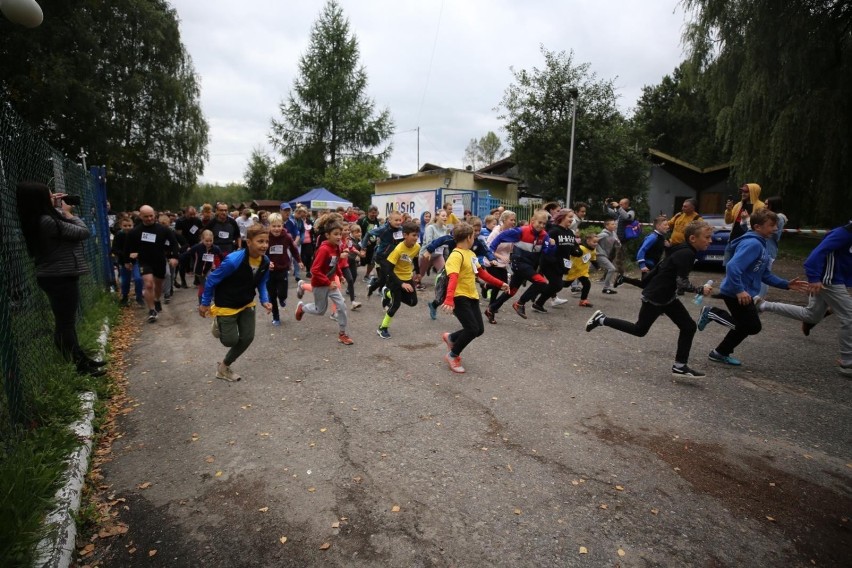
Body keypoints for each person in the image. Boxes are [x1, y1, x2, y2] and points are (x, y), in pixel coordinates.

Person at [586, 221, 715, 377]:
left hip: (667, 297)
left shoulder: (684, 249)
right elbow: (682, 283)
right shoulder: (686, 253)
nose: (710, 241)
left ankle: (680, 366)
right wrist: (700, 289)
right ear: (693, 238)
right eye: (707, 237)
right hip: (656, 297)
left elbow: (664, 267)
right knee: (639, 330)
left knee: (688, 327)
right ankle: (602, 319)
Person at [15, 181, 107, 377]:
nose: (54, 197)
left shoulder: (40, 218)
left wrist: (57, 209)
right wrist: (67, 212)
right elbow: (82, 232)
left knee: (66, 322)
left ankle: (82, 360)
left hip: (58, 275)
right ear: (39, 199)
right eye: (49, 195)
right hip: (58, 276)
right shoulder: (46, 221)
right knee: (65, 324)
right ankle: (80, 366)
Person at [697, 209, 808, 366]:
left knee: (747, 326)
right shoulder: (753, 244)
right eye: (771, 225)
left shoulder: (761, 245)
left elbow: (764, 274)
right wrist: (739, 290)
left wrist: (786, 284)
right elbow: (733, 266)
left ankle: (720, 352)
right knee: (751, 326)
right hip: (736, 293)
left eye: (776, 225)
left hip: (742, 292)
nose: (775, 229)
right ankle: (712, 313)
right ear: (757, 227)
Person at [757, 220, 851, 376]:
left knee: (811, 315)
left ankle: (763, 305)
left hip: (830, 280)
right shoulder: (843, 233)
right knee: (850, 316)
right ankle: (848, 361)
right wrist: (814, 277)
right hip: (829, 281)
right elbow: (816, 255)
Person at [199, 224, 272, 382]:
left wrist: (265, 300)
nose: (265, 245)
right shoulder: (233, 261)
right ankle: (218, 321)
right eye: (260, 241)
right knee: (229, 341)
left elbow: (262, 283)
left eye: (267, 241)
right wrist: (205, 303)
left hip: (246, 303)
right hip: (227, 304)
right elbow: (212, 279)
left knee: (247, 337)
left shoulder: (265, 261)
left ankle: (223, 368)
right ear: (249, 242)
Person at [440, 222, 509, 373]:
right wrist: (449, 299)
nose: (475, 238)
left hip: (472, 295)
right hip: (459, 297)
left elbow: (481, 273)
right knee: (471, 329)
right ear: (469, 237)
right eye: (474, 235)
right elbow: (453, 277)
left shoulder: (470, 254)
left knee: (478, 330)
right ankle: (452, 355)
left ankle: (451, 338)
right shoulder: (456, 255)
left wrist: (500, 283)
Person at [295, 218, 354, 345]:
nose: (339, 237)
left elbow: (335, 263)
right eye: (336, 234)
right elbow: (314, 270)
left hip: (331, 284)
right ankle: (302, 307)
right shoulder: (324, 249)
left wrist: (340, 275)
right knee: (320, 310)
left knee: (342, 306)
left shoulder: (337, 247)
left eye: (340, 233)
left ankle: (342, 334)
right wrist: (327, 282)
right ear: (327, 235)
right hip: (320, 284)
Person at [124, 205, 180, 323]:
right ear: (140, 216)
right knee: (149, 284)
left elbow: (174, 243)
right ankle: (152, 310)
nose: (149, 219)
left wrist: (174, 257)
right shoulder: (135, 232)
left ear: (154, 215)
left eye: (151, 216)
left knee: (158, 285)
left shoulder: (163, 229)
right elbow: (128, 248)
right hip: (144, 261)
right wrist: (127, 261)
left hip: (159, 260)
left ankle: (156, 299)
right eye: (146, 216)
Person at [377, 221, 420, 338]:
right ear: (405, 235)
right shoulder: (398, 249)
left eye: (417, 235)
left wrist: (418, 272)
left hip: (408, 277)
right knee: (396, 304)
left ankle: (387, 293)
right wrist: (401, 284)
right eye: (413, 235)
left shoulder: (417, 247)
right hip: (395, 278)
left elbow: (415, 259)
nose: (416, 238)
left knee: (413, 302)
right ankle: (382, 328)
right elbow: (388, 270)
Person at [266, 213, 302, 326]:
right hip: (269, 271)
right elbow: (261, 252)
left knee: (282, 293)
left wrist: (299, 261)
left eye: (279, 226)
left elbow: (293, 249)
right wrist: (266, 262)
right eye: (274, 226)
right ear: (269, 226)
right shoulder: (265, 237)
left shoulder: (287, 237)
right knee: (271, 295)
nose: (276, 229)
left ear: (282, 226)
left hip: (282, 268)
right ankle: (276, 317)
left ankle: (282, 298)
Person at [621, 215, 669, 288]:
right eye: (665, 225)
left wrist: (667, 246)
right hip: (648, 264)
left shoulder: (661, 237)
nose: (668, 226)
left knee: (647, 284)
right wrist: (642, 265)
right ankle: (623, 279)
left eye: (667, 224)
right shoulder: (653, 237)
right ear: (658, 226)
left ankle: (623, 279)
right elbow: (642, 250)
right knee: (647, 284)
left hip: (654, 264)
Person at [723, 183, 765, 263]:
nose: (743, 194)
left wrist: (747, 218)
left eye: (745, 191)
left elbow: (760, 225)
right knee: (728, 267)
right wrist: (728, 210)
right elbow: (728, 221)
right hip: (732, 240)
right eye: (741, 191)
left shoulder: (761, 206)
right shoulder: (739, 205)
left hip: (746, 243)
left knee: (740, 268)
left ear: (753, 192)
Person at [181, 229, 223, 304]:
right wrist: (178, 259)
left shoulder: (215, 248)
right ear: (202, 239)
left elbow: (221, 257)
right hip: (199, 271)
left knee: (211, 282)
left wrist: (224, 265)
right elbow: (188, 253)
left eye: (211, 241)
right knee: (204, 286)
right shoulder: (198, 247)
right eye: (206, 241)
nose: (209, 243)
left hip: (209, 269)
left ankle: (216, 300)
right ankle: (202, 303)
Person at [757, 196, 787, 298]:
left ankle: (760, 297)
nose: (764, 206)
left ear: (772, 205)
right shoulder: (769, 217)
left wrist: (768, 227)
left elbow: (776, 235)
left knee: (764, 275)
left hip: (769, 250)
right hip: (763, 248)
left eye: (766, 204)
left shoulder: (779, 218)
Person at [112, 215, 144, 307]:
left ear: (133, 225)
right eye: (125, 226)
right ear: (121, 226)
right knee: (125, 280)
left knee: (138, 278)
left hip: (136, 261)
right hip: (123, 261)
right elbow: (115, 249)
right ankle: (125, 296)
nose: (127, 228)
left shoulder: (136, 234)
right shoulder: (119, 235)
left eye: (129, 225)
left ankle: (139, 296)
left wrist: (137, 253)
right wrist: (125, 255)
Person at [563, 233, 599, 307]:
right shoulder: (581, 248)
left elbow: (593, 259)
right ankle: (551, 287)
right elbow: (570, 254)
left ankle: (583, 301)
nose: (596, 244)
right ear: (588, 241)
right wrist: (566, 266)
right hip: (573, 270)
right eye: (594, 242)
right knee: (565, 285)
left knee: (587, 284)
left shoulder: (593, 250)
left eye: (597, 242)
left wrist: (598, 267)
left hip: (582, 271)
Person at [419, 209, 451, 289]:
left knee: (444, 273)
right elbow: (429, 243)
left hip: (437, 255)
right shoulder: (430, 227)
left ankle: (442, 288)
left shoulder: (446, 229)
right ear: (437, 217)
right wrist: (441, 243)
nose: (445, 218)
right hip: (426, 254)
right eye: (443, 216)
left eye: (446, 216)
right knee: (420, 275)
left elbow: (447, 243)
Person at [174, 206, 203, 288]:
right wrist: (185, 245)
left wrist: (200, 241)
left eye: (194, 214)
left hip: (195, 243)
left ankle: (197, 280)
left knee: (198, 262)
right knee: (183, 263)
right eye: (191, 214)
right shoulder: (180, 221)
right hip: (184, 245)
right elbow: (178, 235)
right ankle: (183, 281)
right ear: (186, 213)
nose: (193, 216)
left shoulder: (197, 220)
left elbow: (200, 231)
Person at [596, 219, 621, 294]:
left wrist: (618, 245)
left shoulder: (613, 233)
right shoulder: (603, 234)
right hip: (599, 255)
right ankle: (606, 288)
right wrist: (600, 251)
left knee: (586, 269)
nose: (614, 226)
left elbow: (617, 242)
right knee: (611, 268)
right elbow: (593, 240)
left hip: (606, 255)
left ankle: (574, 285)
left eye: (614, 224)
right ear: (607, 226)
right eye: (612, 224)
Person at [357, 205, 382, 283]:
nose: (373, 214)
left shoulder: (377, 221)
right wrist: (363, 239)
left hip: (373, 244)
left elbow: (378, 231)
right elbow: (356, 231)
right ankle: (352, 271)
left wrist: (378, 238)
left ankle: (367, 275)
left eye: (375, 213)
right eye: (372, 213)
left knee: (372, 261)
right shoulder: (362, 220)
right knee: (361, 261)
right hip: (363, 244)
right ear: (368, 212)